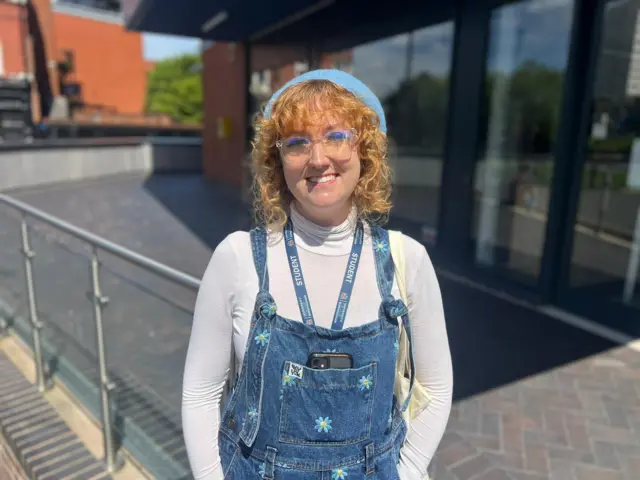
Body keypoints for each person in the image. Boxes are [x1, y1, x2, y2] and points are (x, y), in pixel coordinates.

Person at [182, 69, 453, 479]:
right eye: (297, 142)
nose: (318, 158)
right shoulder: (236, 258)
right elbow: (200, 395)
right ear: (278, 161)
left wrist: (409, 471)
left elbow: (436, 389)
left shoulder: (406, 260)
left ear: (365, 150)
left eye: (336, 136)